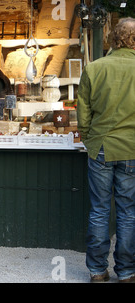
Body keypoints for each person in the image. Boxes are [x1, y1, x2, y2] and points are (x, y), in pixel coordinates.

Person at [77, 17, 135, 283]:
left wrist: (90, 140)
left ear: (114, 38)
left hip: (100, 146)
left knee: (100, 210)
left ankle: (98, 271)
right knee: (128, 211)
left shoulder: (94, 68)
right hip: (132, 148)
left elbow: (83, 113)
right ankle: (126, 272)